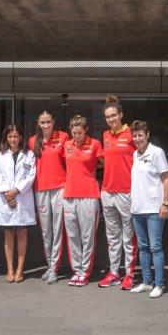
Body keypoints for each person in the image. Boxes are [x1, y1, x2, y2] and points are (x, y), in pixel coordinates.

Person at [99, 94, 138, 290]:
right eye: (107, 117)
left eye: (114, 115)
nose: (111, 119)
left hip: (126, 192)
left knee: (128, 235)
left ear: (121, 114)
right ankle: (114, 272)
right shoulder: (106, 136)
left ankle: (130, 274)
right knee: (112, 236)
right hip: (107, 192)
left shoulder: (132, 134)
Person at [128, 120, 168, 298]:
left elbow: (166, 178)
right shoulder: (135, 155)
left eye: (140, 135)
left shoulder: (157, 152)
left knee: (155, 247)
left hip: (154, 208)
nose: (137, 138)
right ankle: (146, 282)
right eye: (135, 135)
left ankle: (159, 284)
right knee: (143, 247)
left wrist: (165, 202)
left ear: (147, 135)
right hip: (137, 209)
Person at [62, 115, 104, 287]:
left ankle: (85, 271)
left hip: (89, 195)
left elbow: (106, 163)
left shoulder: (95, 144)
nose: (77, 136)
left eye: (80, 132)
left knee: (87, 237)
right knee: (73, 236)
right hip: (69, 195)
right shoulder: (67, 145)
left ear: (85, 130)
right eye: (74, 132)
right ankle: (77, 270)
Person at [29, 110, 68, 283]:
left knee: (58, 228)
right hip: (41, 189)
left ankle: (54, 268)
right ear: (38, 122)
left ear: (54, 121)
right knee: (46, 230)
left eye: (48, 122)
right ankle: (50, 264)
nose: (46, 125)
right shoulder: (32, 141)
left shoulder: (64, 137)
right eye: (42, 122)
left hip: (60, 188)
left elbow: (70, 162)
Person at [0, 124, 37, 282]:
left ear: (21, 137)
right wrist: (9, 196)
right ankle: (10, 269)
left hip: (22, 198)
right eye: (10, 136)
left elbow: (31, 176)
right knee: (8, 234)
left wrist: (17, 191)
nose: (13, 139)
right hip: (7, 200)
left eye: (15, 136)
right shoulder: (0, 155)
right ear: (6, 137)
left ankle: (20, 270)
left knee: (22, 233)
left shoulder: (29, 154)